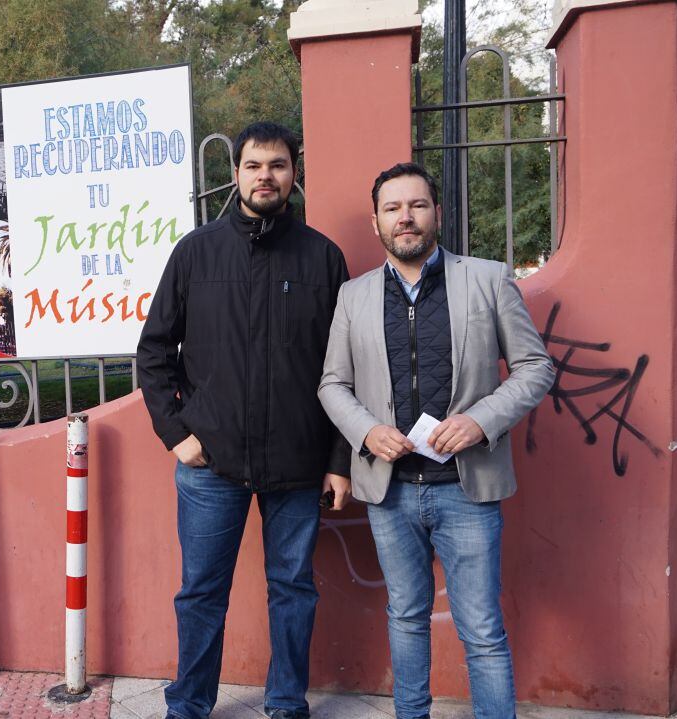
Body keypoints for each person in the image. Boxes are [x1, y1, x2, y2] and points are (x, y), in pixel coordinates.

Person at [317, 162, 554, 719]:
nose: (405, 217)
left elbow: (535, 367)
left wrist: (482, 420)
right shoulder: (353, 296)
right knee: (405, 618)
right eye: (393, 208)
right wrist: (367, 432)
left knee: (481, 629)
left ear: (437, 214)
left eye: (417, 205)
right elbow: (332, 383)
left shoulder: (488, 279)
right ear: (377, 222)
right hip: (390, 492)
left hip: (467, 489)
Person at [137, 122, 351, 719]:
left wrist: (337, 463)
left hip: (299, 464)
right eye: (254, 165)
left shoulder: (323, 258)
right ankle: (190, 704)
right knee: (201, 593)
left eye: (278, 165)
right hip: (212, 465)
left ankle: (286, 703)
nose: (266, 176)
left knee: (293, 591)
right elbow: (154, 352)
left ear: (294, 173)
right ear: (235, 174)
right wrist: (177, 434)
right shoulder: (196, 253)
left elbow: (344, 372)